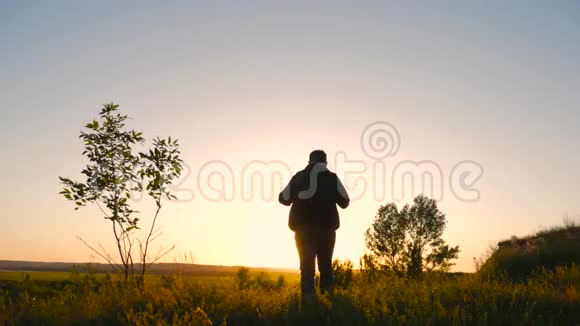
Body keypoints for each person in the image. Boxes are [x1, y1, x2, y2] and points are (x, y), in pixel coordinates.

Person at [278, 149, 350, 296]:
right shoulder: (332, 178)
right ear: (325, 162)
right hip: (327, 230)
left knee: (306, 269)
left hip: (303, 229)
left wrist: (298, 194)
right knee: (326, 268)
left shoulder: (299, 177)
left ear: (309, 161)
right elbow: (345, 202)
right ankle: (328, 304)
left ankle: (308, 308)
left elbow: (283, 198)